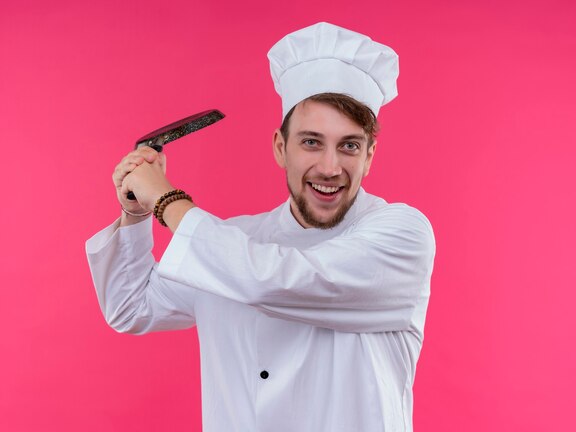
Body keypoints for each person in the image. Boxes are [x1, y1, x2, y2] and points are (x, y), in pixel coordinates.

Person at [86, 22, 435, 432]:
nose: (329, 167)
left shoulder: (401, 235)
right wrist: (136, 212)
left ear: (369, 156)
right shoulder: (230, 241)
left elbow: (272, 280)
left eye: (349, 145)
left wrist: (164, 200)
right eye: (310, 142)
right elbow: (130, 307)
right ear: (279, 147)